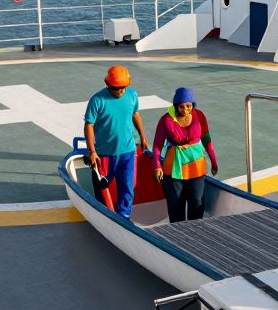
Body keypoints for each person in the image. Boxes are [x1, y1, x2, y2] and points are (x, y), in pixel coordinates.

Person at [83, 65, 148, 218]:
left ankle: (124, 217)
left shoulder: (132, 95)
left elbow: (135, 114)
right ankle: (104, 216)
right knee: (101, 189)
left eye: (124, 88)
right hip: (104, 154)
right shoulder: (97, 100)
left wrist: (143, 136)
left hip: (128, 152)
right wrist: (92, 151)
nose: (121, 91)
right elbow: (89, 125)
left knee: (128, 188)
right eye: (117, 88)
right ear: (108, 85)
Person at [152, 87, 218, 222]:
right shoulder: (166, 120)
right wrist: (157, 166)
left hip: (196, 169)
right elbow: (157, 145)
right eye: (182, 107)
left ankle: (196, 233)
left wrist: (213, 161)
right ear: (176, 106)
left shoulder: (199, 116)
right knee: (176, 206)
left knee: (197, 202)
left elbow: (207, 140)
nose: (186, 109)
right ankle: (177, 235)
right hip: (173, 170)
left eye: (189, 106)